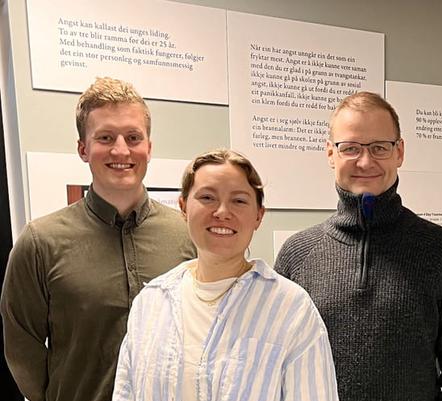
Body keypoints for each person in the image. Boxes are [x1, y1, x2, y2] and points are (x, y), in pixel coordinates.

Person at [0, 77, 196, 401]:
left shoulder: (187, 236)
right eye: (105, 137)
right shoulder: (40, 243)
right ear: (83, 149)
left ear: (149, 147)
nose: (121, 150)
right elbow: (22, 347)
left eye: (133, 137)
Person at [275, 91, 442, 401]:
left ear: (400, 152)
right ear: (330, 153)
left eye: (379, 148)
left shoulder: (441, 250)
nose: (366, 161)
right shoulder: (298, 255)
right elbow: (277, 364)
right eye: (351, 148)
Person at [113, 149, 338, 401]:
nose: (222, 211)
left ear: (258, 216)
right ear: (183, 207)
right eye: (207, 197)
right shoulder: (151, 302)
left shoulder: (291, 309)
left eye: (239, 201)